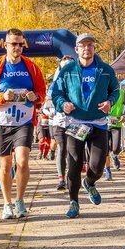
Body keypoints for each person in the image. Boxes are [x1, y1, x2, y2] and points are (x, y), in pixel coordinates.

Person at [0, 28, 47, 220]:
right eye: (13, 44)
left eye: (20, 44)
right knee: (5, 165)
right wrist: (1, 96)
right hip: (1, 122)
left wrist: (35, 97)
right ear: (5, 45)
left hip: (23, 121)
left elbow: (42, 92)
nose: (16, 47)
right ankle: (7, 203)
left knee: (22, 161)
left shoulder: (31, 67)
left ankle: (20, 200)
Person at [49, 33, 119, 218]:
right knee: (73, 163)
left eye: (90, 45)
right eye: (83, 45)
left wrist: (110, 102)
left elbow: (116, 90)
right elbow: (56, 93)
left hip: (98, 123)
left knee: (97, 166)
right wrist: (62, 104)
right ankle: (73, 202)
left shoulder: (105, 70)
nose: (86, 48)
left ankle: (89, 182)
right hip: (75, 123)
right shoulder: (67, 70)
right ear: (76, 49)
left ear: (94, 48)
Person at [49, 55, 74, 190]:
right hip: (58, 121)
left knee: (73, 150)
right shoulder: (55, 84)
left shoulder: (77, 81)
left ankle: (72, 176)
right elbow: (48, 102)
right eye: (64, 67)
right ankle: (61, 179)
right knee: (62, 148)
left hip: (74, 121)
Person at [103, 83, 125, 180]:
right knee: (105, 150)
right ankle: (108, 171)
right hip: (104, 124)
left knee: (116, 148)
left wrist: (124, 115)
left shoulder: (121, 93)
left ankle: (115, 156)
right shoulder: (102, 93)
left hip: (116, 124)